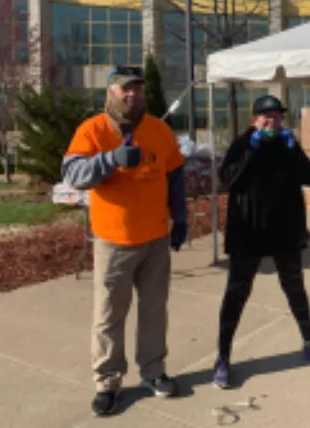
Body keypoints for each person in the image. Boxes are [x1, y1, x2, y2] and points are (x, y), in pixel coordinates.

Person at [62, 66, 188, 417]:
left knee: (153, 311)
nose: (132, 94)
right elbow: (72, 174)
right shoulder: (93, 130)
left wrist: (181, 217)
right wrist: (110, 160)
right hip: (114, 242)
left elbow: (175, 175)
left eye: (137, 88)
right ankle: (107, 381)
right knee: (108, 316)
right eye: (125, 89)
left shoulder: (159, 130)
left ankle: (153, 371)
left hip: (156, 240)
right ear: (111, 92)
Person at [212, 94, 310, 388]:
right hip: (249, 232)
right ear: (254, 120)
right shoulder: (242, 144)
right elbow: (227, 181)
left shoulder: (287, 143)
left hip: (283, 231)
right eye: (266, 116)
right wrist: (250, 151)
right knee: (237, 294)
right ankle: (223, 357)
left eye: (276, 116)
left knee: (295, 288)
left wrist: (294, 151)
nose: (271, 121)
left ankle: (309, 342)